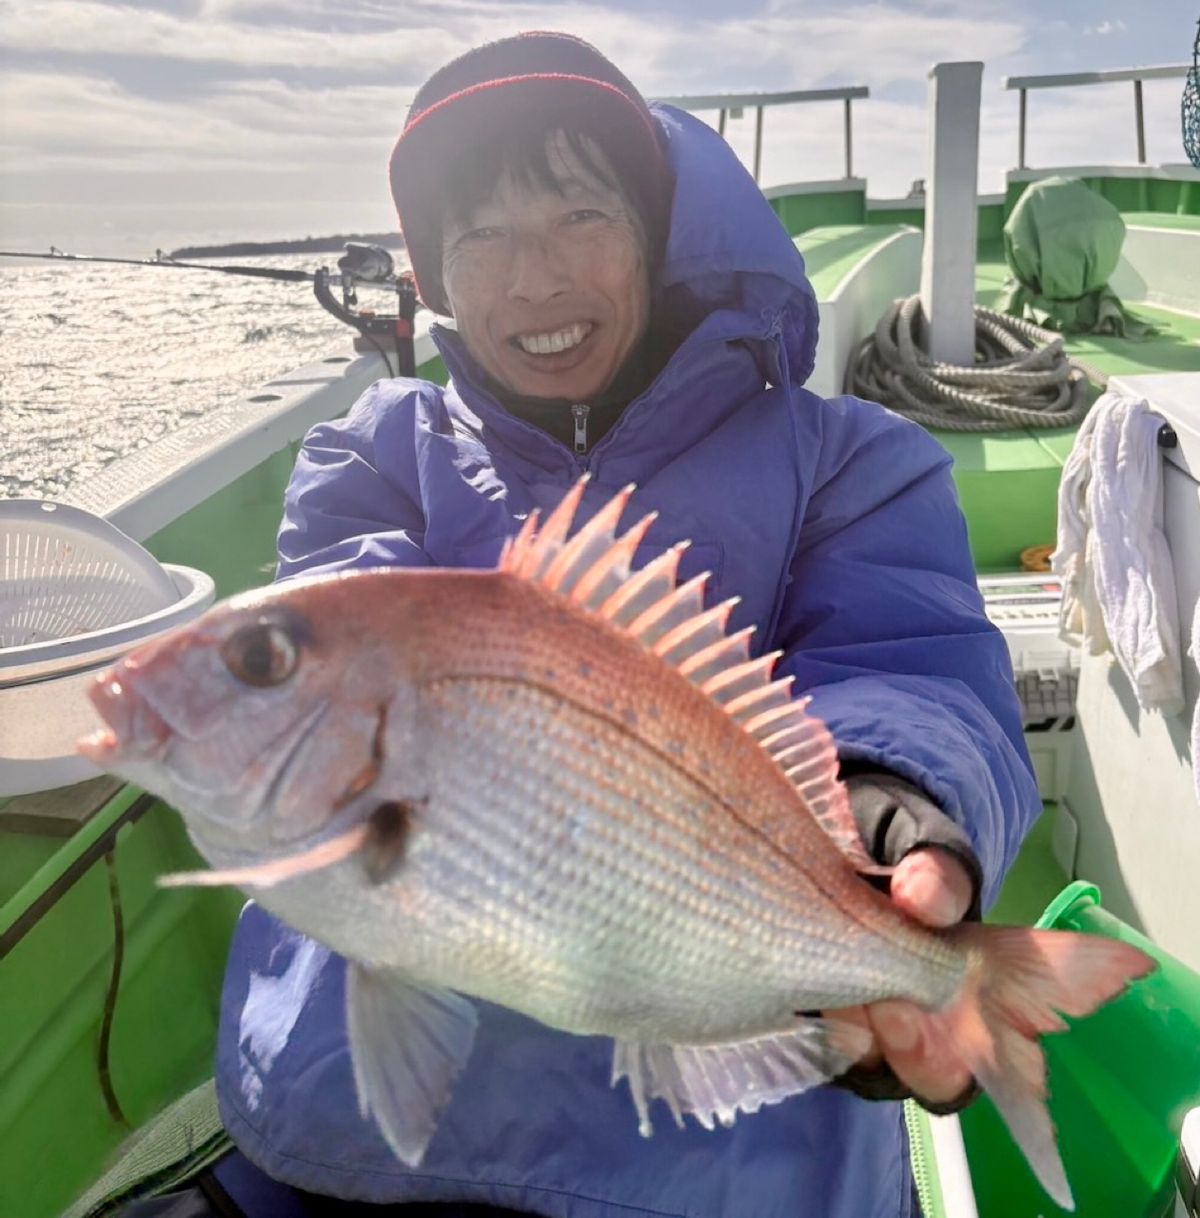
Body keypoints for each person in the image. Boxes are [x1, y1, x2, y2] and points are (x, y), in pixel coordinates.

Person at [206, 31, 1040, 1218]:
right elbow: (340, 667)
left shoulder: (851, 465)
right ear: (435, 277)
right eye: (479, 237)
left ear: (659, 237)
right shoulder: (373, 454)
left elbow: (912, 672)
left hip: (727, 1166)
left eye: (580, 215)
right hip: (355, 1140)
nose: (532, 278)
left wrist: (878, 800)